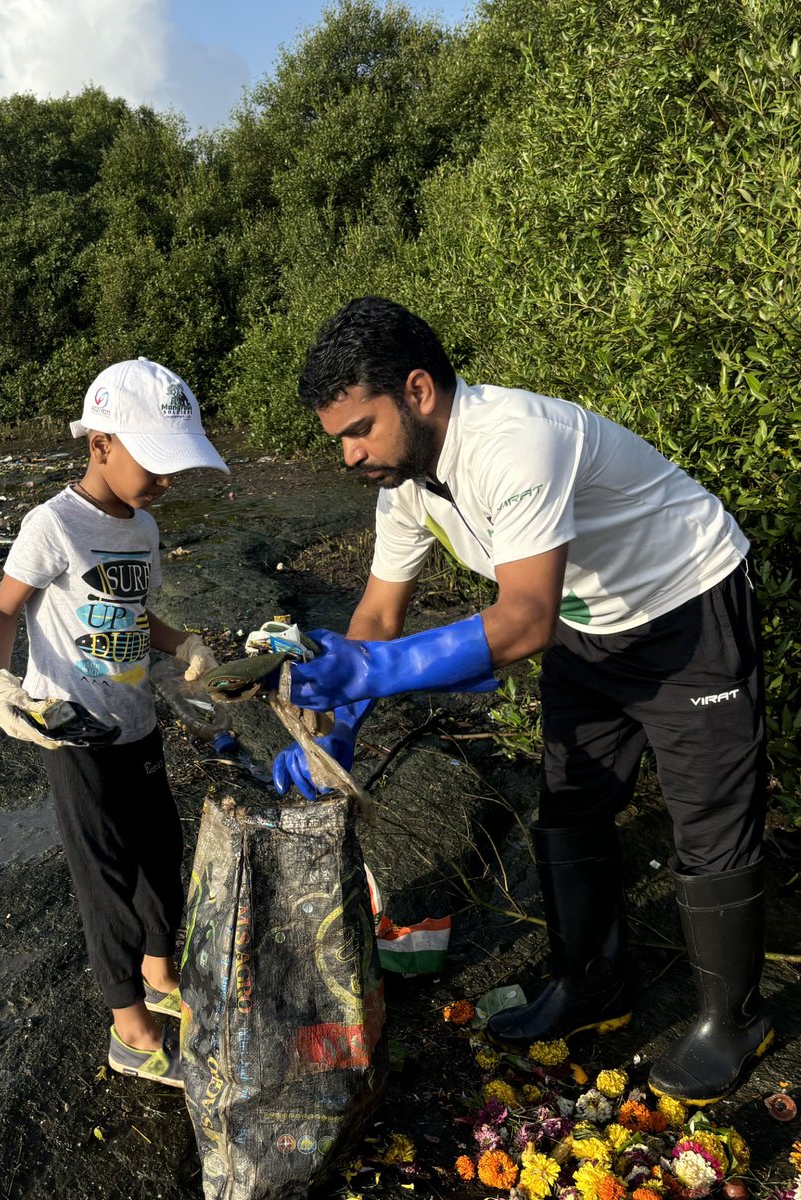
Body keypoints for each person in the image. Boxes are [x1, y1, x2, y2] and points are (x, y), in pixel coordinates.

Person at [272, 296, 770, 1106]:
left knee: (709, 818)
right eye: (339, 441)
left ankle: (731, 1023)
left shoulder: (515, 441)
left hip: (687, 608)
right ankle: (591, 985)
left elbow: (525, 620)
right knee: (571, 801)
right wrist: (335, 734)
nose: (351, 454)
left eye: (360, 429)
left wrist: (374, 672)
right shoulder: (407, 486)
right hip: (589, 621)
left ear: (418, 391)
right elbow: (377, 618)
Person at [0, 357, 228, 1089]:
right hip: (73, 731)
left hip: (135, 719)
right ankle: (130, 1028)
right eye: (155, 462)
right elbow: (3, 607)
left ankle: (158, 970)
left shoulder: (143, 527)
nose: (166, 481)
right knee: (106, 874)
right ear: (100, 445)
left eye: (175, 466)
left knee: (161, 850)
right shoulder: (53, 524)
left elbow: (135, 614)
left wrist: (182, 644)